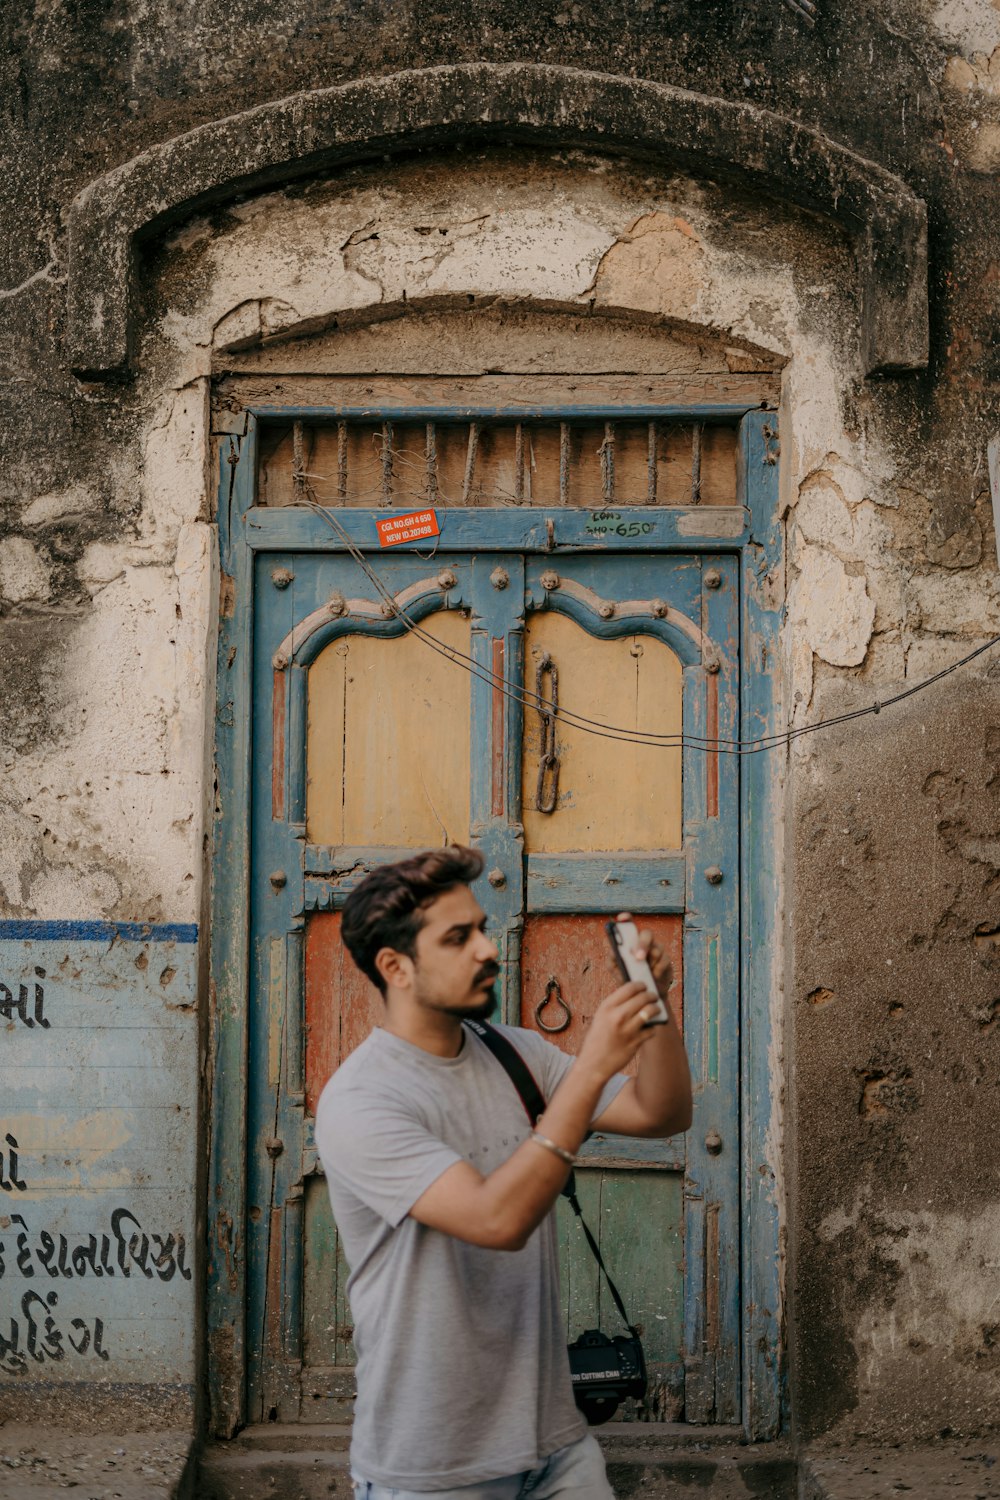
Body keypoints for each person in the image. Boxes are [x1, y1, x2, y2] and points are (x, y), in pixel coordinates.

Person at [315, 844, 693, 1500]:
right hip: (434, 1465)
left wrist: (651, 1009)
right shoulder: (362, 1101)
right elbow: (496, 1219)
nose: (487, 949)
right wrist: (596, 1065)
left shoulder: (512, 1052)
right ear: (395, 967)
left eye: (482, 930)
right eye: (458, 938)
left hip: (557, 1444)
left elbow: (660, 1112)